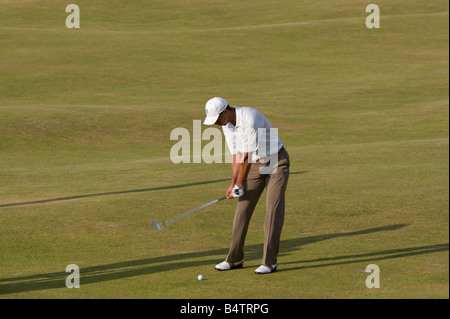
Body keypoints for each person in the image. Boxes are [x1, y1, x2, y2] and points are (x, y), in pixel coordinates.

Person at [203, 97, 290, 274]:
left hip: (276, 161)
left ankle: (269, 262)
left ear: (225, 111)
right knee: (242, 211)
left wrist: (240, 182)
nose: (217, 123)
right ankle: (235, 259)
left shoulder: (250, 117)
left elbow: (246, 156)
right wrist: (232, 183)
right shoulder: (227, 125)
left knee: (272, 210)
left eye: (217, 119)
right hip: (255, 165)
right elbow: (236, 156)